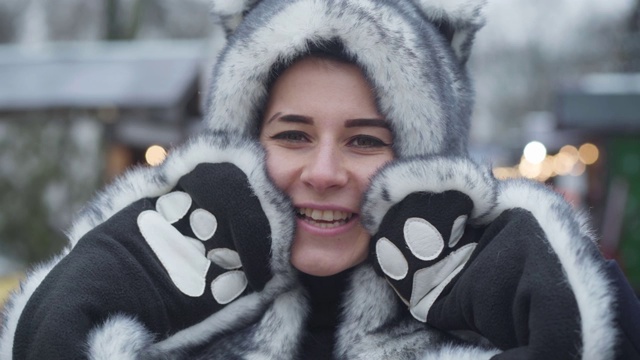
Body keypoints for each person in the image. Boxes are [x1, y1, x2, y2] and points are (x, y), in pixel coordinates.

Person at [1, 0, 639, 359]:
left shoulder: (475, 337)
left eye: (365, 140)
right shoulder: (173, 336)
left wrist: (551, 291)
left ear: (423, 165)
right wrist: (112, 272)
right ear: (243, 151)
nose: (326, 172)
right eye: (292, 135)